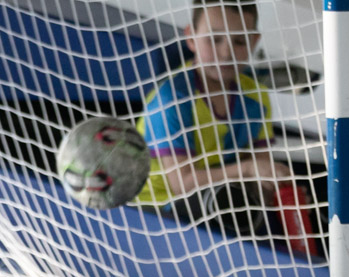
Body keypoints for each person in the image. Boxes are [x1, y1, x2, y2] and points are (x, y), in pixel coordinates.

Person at [135, 0, 317, 251]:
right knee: (224, 201)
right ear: (191, 38)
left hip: (222, 195)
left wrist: (279, 190)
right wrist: (249, 169)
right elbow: (182, 184)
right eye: (214, 39)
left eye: (239, 42)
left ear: (254, 42)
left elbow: (259, 172)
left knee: (293, 204)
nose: (226, 53)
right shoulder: (170, 99)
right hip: (157, 210)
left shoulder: (255, 96)